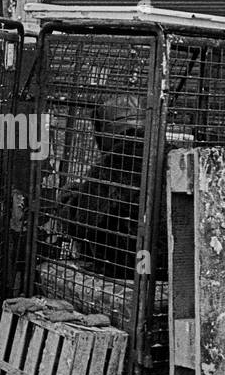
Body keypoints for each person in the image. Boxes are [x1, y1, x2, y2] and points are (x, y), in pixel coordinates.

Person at [58, 93, 167, 280]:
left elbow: (82, 223)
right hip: (168, 263)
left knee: (74, 202)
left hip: (132, 266)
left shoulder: (112, 164)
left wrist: (69, 198)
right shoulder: (171, 153)